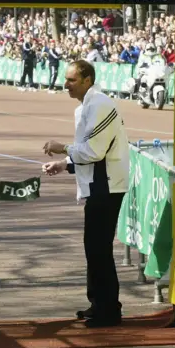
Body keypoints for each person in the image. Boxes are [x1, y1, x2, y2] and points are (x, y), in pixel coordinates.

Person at [41, 60, 129, 328]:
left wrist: (62, 148)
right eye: (65, 79)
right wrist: (65, 165)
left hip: (108, 183)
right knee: (93, 247)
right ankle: (98, 303)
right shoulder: (84, 108)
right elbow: (86, 151)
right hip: (97, 183)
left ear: (87, 80)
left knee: (99, 247)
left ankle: (109, 310)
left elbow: (95, 151)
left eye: (71, 80)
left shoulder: (100, 105)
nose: (65, 85)